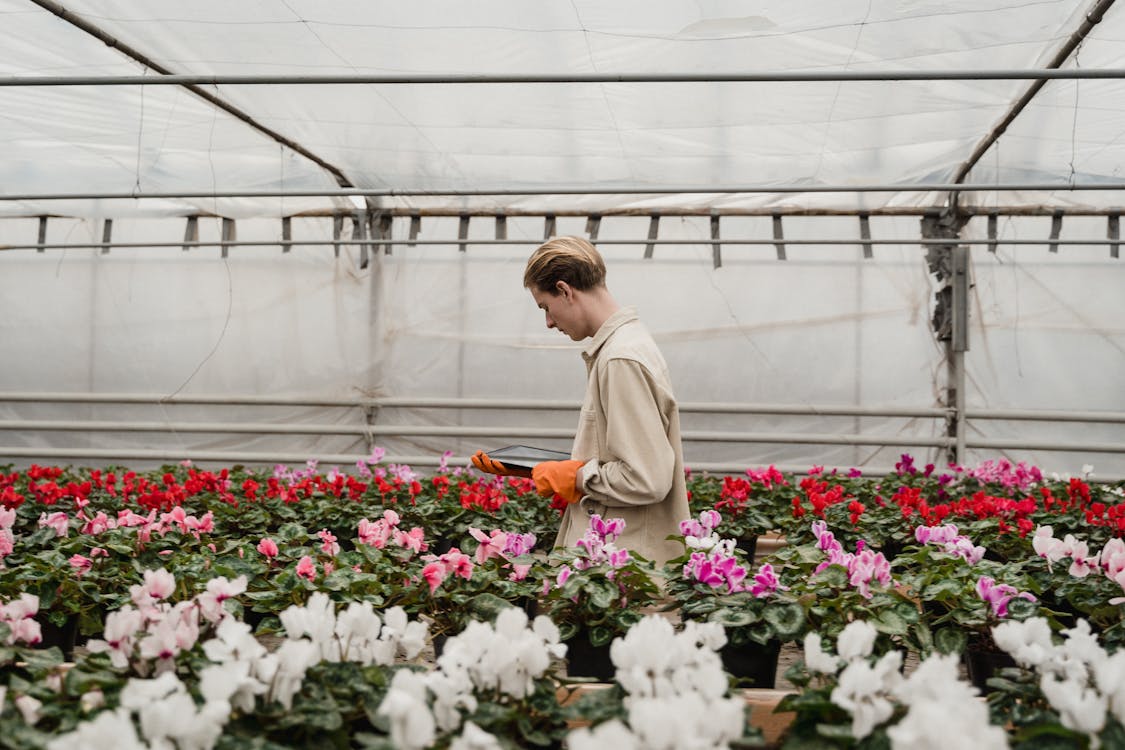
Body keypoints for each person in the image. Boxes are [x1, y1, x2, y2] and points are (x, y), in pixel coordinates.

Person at [473, 236, 689, 566]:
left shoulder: (620, 358)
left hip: (623, 565)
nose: (548, 322)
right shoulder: (622, 347)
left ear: (565, 290)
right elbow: (624, 455)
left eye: (545, 306)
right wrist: (550, 468)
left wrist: (574, 477)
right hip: (619, 559)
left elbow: (647, 478)